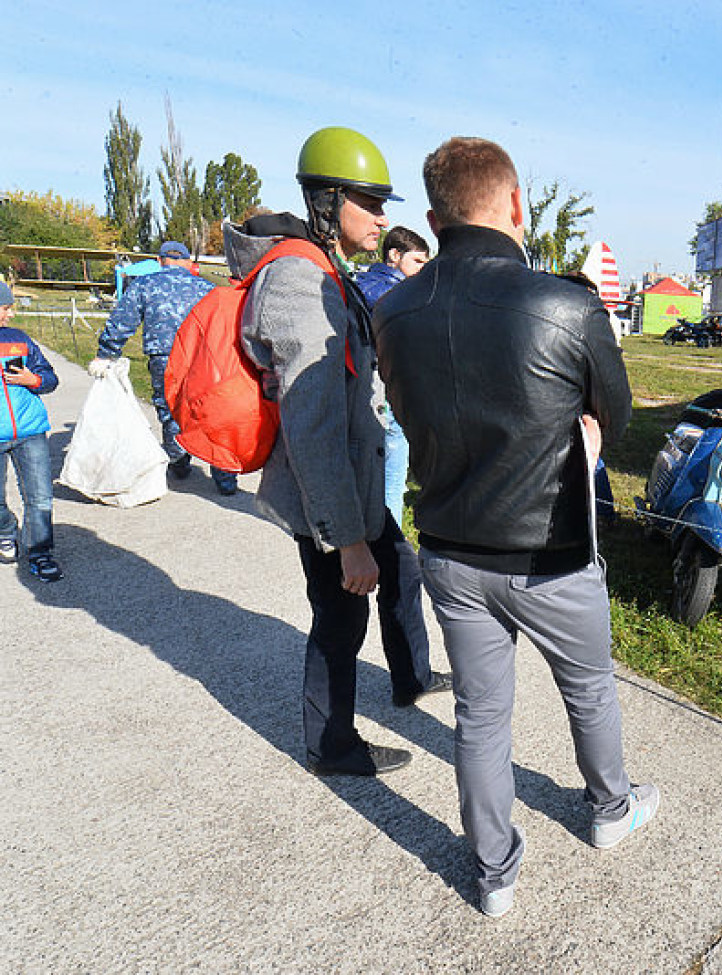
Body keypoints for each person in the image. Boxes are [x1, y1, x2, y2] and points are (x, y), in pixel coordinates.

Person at [374, 136, 658, 918]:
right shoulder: (567, 304)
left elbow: (406, 412)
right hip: (551, 551)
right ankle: (609, 809)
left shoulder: (391, 311)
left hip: (452, 550)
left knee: (479, 716)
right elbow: (619, 415)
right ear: (517, 205)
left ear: (433, 219)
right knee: (590, 689)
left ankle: (495, 870)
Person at [232, 126, 451, 777]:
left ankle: (409, 677)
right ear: (329, 201)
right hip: (330, 494)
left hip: (360, 481)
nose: (385, 219)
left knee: (400, 571)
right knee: (340, 617)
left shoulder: (327, 270)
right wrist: (346, 539)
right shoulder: (300, 282)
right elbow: (314, 424)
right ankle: (331, 743)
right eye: (371, 202)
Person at [91, 242, 239, 496]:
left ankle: (178, 460)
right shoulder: (206, 288)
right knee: (212, 411)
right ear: (185, 262)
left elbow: (121, 322)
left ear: (160, 261)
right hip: (203, 356)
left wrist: (107, 353)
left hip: (164, 355)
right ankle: (224, 476)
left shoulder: (144, 285)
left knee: (171, 408)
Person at [354, 226, 431, 525]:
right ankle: (393, 543)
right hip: (390, 392)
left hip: (368, 390)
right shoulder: (395, 296)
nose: (422, 270)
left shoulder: (364, 283)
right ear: (394, 256)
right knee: (392, 479)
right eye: (418, 262)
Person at [0, 282, 62, 582]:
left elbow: (50, 378)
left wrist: (32, 379)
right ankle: (5, 531)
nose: (10, 314)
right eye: (5, 308)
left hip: (30, 431)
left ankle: (40, 553)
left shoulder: (20, 340)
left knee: (39, 497)